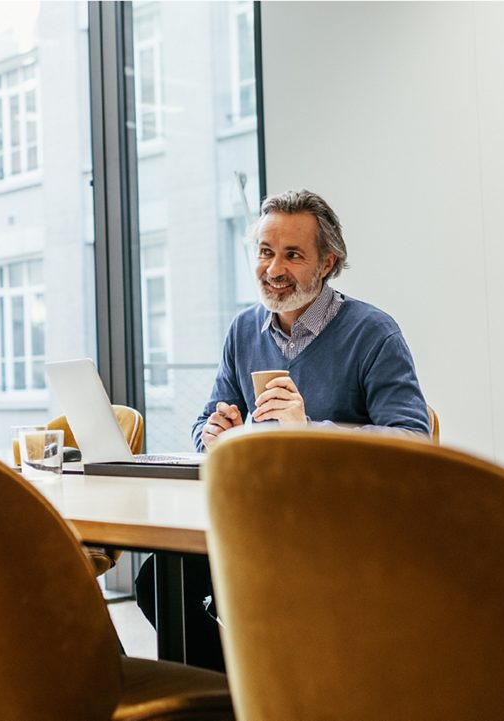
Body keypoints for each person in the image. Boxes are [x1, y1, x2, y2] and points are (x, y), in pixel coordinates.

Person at [135, 188, 430, 671]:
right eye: (265, 252)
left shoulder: (374, 333)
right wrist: (214, 433)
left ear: (328, 263)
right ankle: (245, 689)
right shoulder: (243, 331)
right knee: (159, 582)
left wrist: (308, 432)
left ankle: (275, 687)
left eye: (293, 255)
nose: (274, 269)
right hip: (257, 515)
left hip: (337, 528)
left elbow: (413, 441)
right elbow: (203, 421)